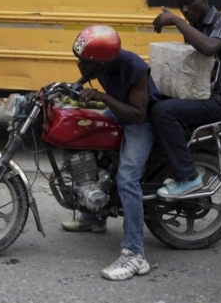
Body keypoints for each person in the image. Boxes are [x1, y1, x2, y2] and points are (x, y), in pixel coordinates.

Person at [62, 25, 161, 281]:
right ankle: (93, 218)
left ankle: (135, 254)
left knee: (127, 178)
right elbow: (85, 79)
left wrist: (102, 98)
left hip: (141, 122)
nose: (79, 66)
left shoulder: (135, 68)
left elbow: (138, 114)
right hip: (119, 111)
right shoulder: (101, 63)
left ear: (100, 64)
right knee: (86, 142)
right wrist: (68, 88)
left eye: (82, 63)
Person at [151, 0, 221, 198]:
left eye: (189, 3)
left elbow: (209, 48)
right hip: (200, 95)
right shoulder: (194, 26)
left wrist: (176, 20)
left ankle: (188, 177)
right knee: (150, 103)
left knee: (163, 112)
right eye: (180, 6)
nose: (185, 9)